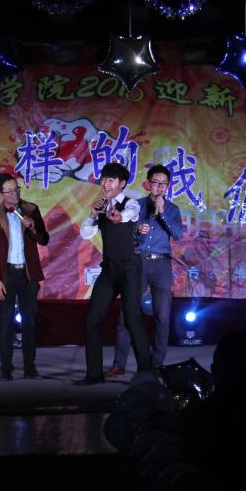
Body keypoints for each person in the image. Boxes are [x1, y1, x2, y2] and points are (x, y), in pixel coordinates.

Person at [76, 162, 152, 385]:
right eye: (104, 180)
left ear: (122, 183)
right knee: (92, 319)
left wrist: (118, 217)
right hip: (109, 270)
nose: (105, 184)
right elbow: (85, 233)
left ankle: (147, 372)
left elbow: (130, 214)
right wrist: (93, 214)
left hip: (130, 270)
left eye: (111, 180)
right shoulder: (101, 206)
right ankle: (94, 374)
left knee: (132, 319)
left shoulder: (130, 204)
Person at [107, 164, 183, 377]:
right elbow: (124, 233)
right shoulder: (136, 205)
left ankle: (156, 365)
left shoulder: (172, 209)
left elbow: (178, 234)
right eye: (156, 182)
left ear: (168, 186)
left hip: (162, 264)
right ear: (148, 184)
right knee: (127, 314)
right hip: (138, 262)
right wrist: (137, 230)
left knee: (163, 316)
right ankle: (119, 365)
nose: (160, 187)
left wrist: (162, 214)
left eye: (164, 183)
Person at [0, 174, 50, 380]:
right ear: (0, 194)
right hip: (7, 274)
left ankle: (30, 367)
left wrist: (33, 227)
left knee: (29, 321)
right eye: (9, 191)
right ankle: (6, 369)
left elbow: (44, 239)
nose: (14, 194)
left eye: (16, 189)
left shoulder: (31, 210)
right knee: (5, 322)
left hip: (28, 273)